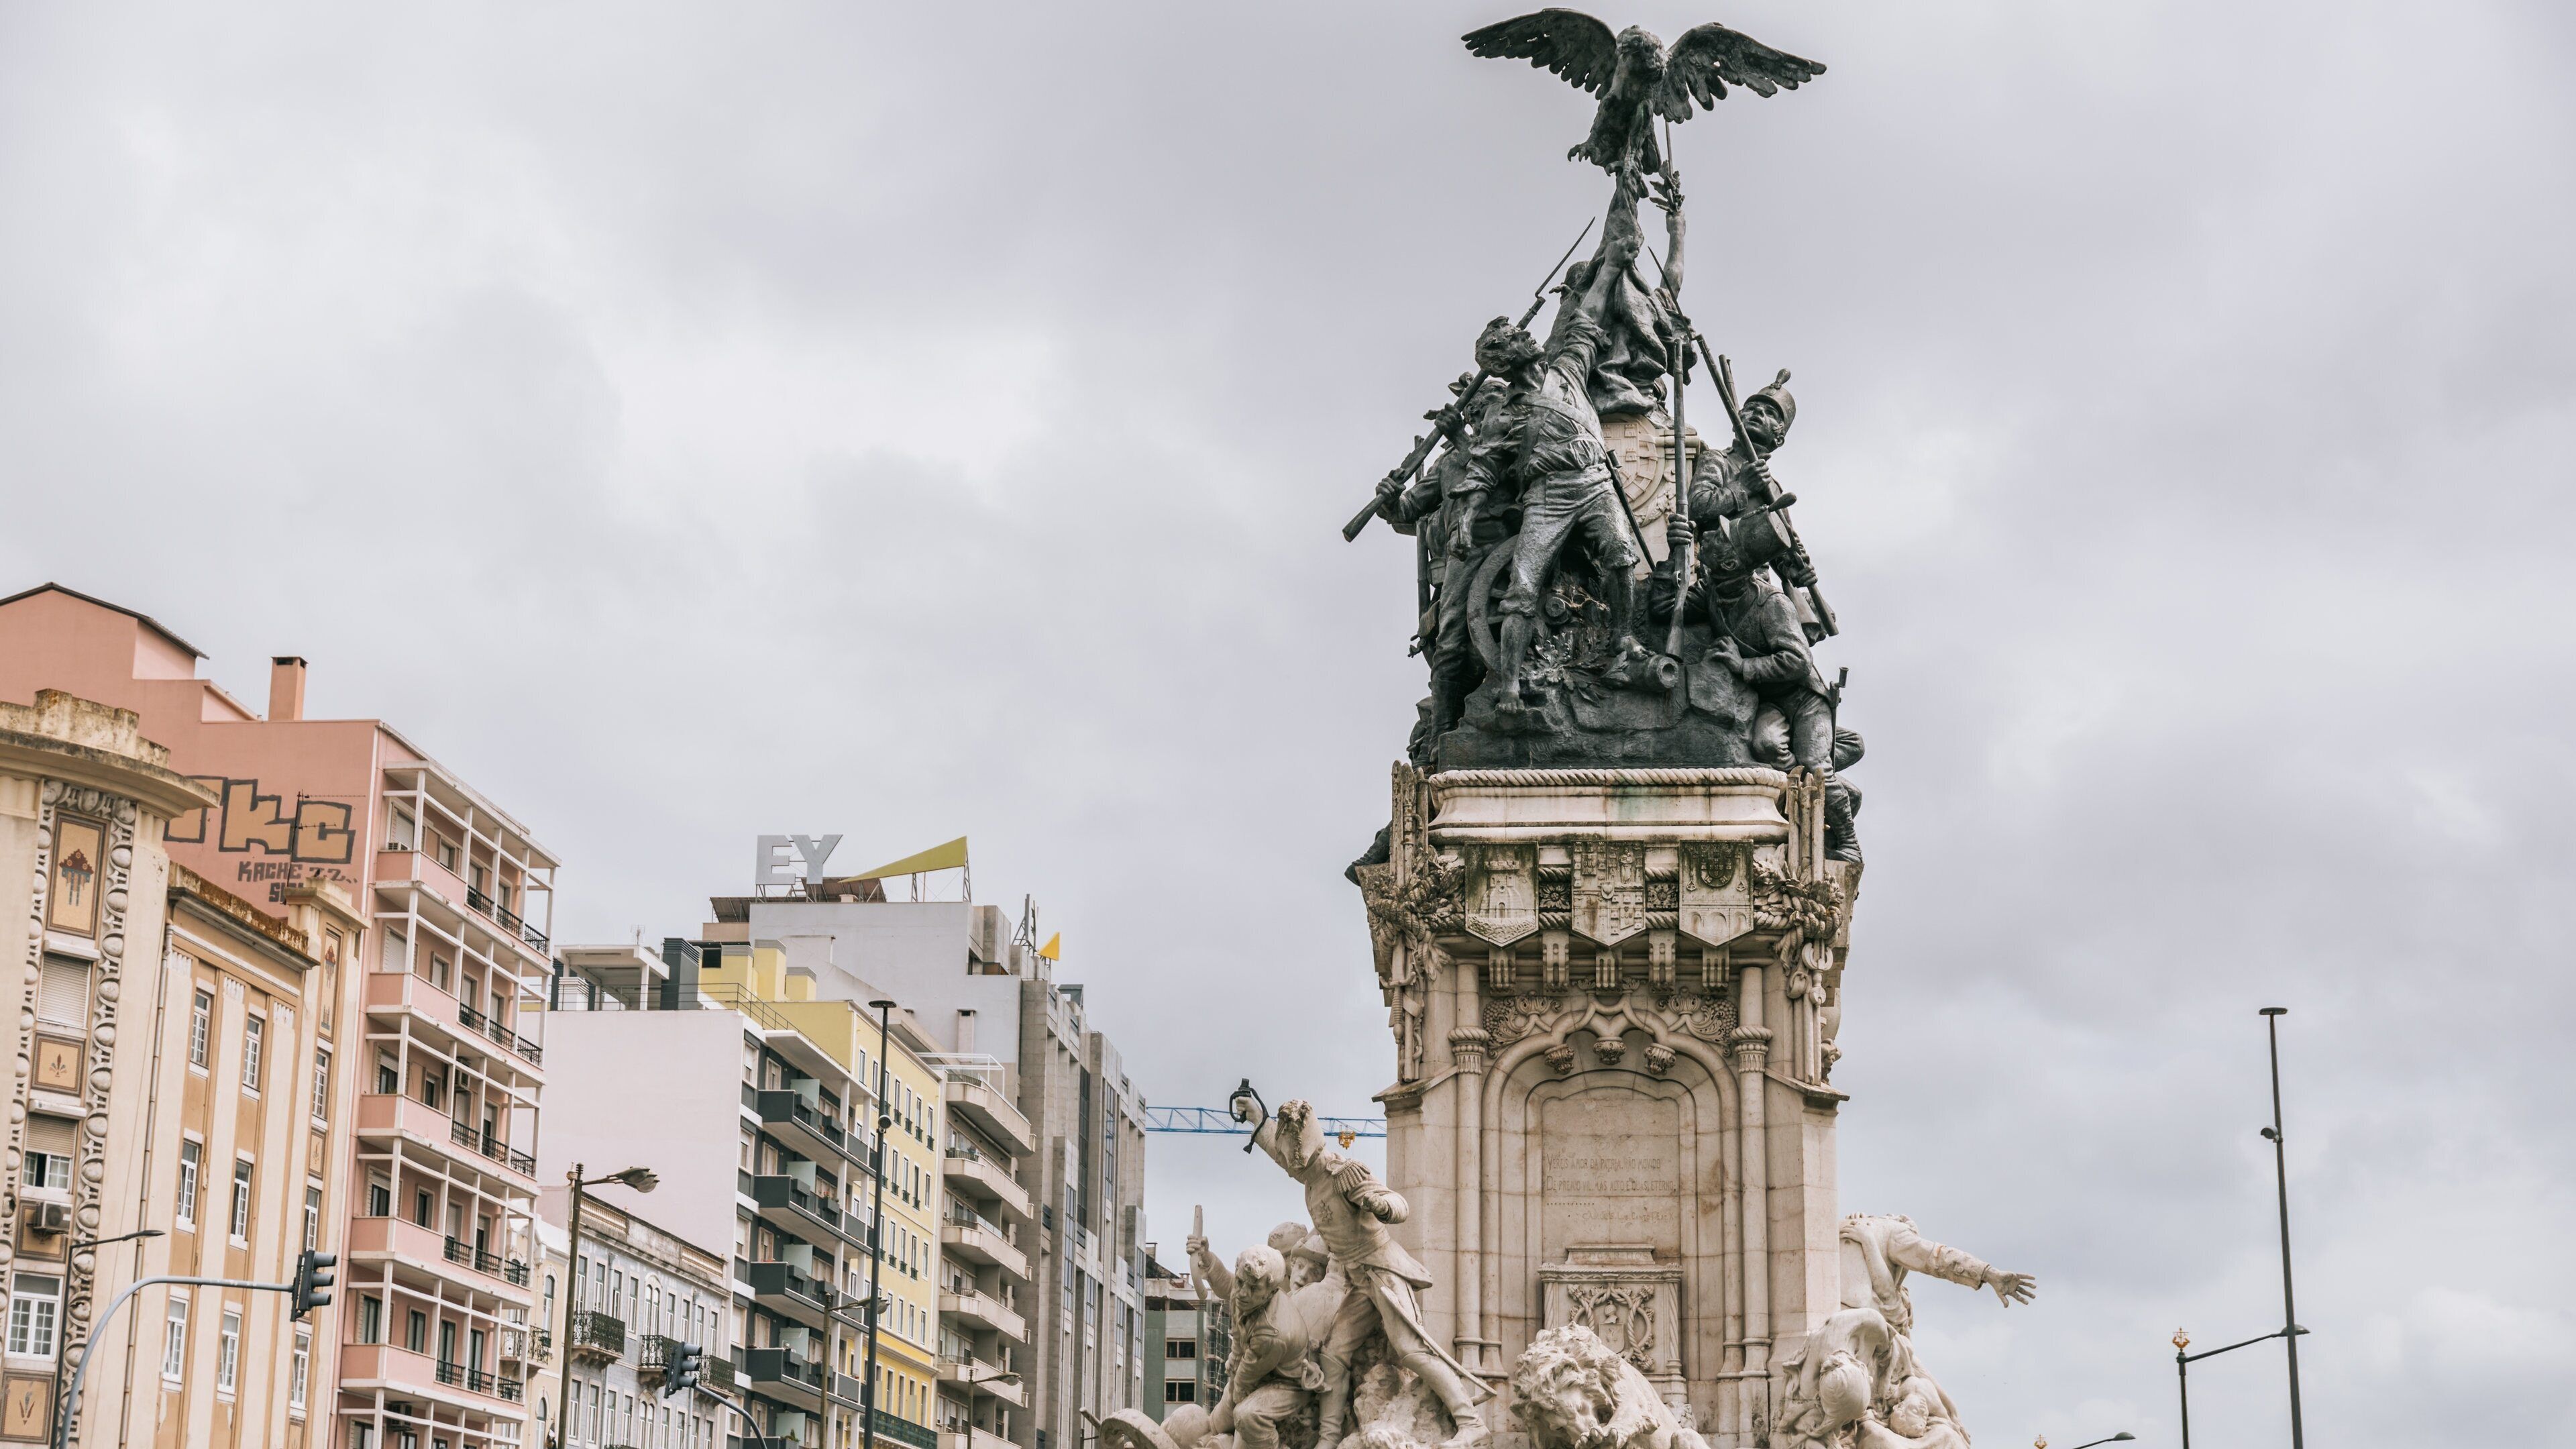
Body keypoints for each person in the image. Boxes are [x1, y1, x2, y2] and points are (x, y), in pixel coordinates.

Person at [1458, 173, 1655, 710]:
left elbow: (1588, 315)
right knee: (1522, 588)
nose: (1526, 339)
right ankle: (1510, 685)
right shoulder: (1503, 414)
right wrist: (1465, 520)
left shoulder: (1566, 370)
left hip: (1595, 480)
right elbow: (1481, 471)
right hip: (1547, 495)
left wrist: (1613, 263)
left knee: (1621, 557)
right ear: (1500, 359)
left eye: (1520, 335)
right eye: (1512, 341)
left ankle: (1623, 645)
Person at [1236, 1097, 1493, 1449]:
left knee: (1411, 1350)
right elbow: (1281, 1153)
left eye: (1294, 1164)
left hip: (1382, 1272)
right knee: (1333, 1355)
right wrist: (1259, 1120)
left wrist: (1380, 1205)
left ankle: (1472, 1423)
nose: (1292, 1170)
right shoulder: (1309, 1175)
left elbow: (1398, 1205)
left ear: (1308, 1154)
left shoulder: (1342, 1173)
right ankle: (1328, 1441)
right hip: (1358, 1283)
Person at [1652, 521, 1862, 861]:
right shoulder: (1713, 591)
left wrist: (1743, 667)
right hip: (1769, 700)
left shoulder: (1772, 603)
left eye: (1721, 538)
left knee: (1818, 767)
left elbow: (1798, 661)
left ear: (1732, 563)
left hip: (1804, 700)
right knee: (1765, 746)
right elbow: (1662, 611)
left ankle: (1849, 842)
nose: (1709, 536)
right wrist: (1673, 556)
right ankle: (1831, 790)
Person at [1379, 374, 1513, 749]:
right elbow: (1410, 508)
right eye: (1474, 411)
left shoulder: (1510, 444)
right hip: (1463, 554)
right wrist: (1391, 501)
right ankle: (1442, 731)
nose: (1480, 416)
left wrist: (1458, 439)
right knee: (1451, 639)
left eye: (1486, 408)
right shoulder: (1449, 462)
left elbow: (1502, 477)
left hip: (1508, 548)